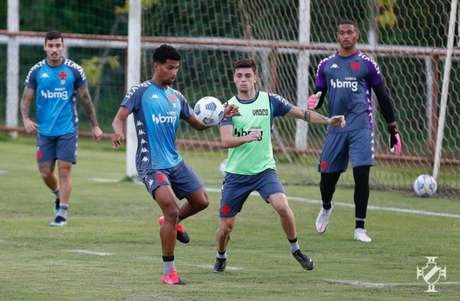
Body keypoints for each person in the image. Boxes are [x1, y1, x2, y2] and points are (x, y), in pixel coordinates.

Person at [111, 44, 239, 285]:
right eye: (170, 68)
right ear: (157, 66)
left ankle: (170, 223)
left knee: (201, 201)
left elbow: (198, 124)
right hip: (151, 164)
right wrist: (118, 132)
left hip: (174, 161)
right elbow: (119, 118)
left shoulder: (176, 97)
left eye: (177, 68)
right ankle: (169, 271)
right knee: (171, 210)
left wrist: (223, 115)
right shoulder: (140, 92)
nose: (174, 73)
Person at [212, 58, 345, 273]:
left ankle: (296, 249)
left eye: (248, 75)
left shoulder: (270, 101)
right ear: (234, 79)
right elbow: (226, 141)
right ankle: (221, 255)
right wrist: (249, 137)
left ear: (255, 77)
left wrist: (329, 121)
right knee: (226, 227)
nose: (244, 80)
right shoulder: (228, 108)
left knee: (282, 206)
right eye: (239, 76)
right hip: (236, 175)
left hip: (265, 171)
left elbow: (301, 113)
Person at [307, 20, 402, 242]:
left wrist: (392, 128)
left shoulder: (367, 64)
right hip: (335, 127)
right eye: (342, 33)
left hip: (361, 127)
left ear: (357, 35)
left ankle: (360, 228)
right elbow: (319, 94)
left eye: (350, 32)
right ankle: (327, 206)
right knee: (327, 177)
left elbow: (383, 96)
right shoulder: (326, 65)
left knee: (361, 174)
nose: (346, 36)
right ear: (337, 37)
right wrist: (315, 100)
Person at [20, 31, 103, 227]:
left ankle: (62, 213)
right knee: (45, 172)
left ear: (62, 47)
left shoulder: (74, 70)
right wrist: (25, 119)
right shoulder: (36, 71)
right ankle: (58, 194)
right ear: (45, 47)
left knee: (64, 171)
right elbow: (26, 98)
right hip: (44, 131)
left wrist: (95, 126)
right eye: (51, 46)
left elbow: (85, 99)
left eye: (58, 45)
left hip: (67, 129)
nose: (54, 49)